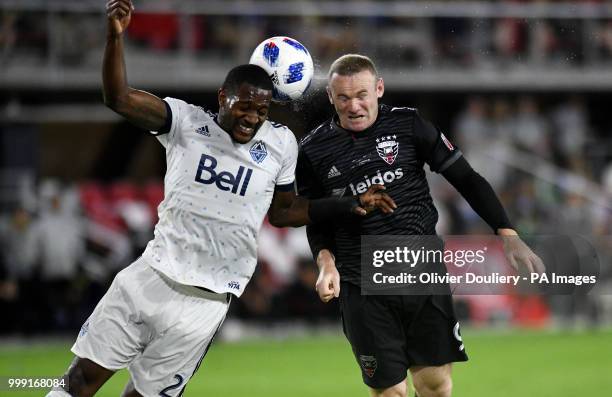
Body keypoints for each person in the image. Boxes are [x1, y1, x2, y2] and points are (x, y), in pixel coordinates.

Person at [46, 3, 396, 397]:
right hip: (150, 279)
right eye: (243, 106)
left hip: (207, 303)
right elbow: (119, 98)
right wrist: (115, 36)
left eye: (261, 110)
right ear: (222, 98)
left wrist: (346, 204)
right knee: (79, 382)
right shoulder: (184, 122)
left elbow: (284, 213)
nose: (251, 117)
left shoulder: (280, 144)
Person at [296, 54, 544, 397]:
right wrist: (325, 262)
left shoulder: (409, 124)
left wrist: (506, 231)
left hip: (420, 271)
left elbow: (466, 179)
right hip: (362, 280)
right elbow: (313, 216)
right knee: (391, 392)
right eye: (343, 98)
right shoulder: (313, 149)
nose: (354, 106)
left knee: (435, 386)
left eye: (362, 95)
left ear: (379, 89)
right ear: (330, 97)